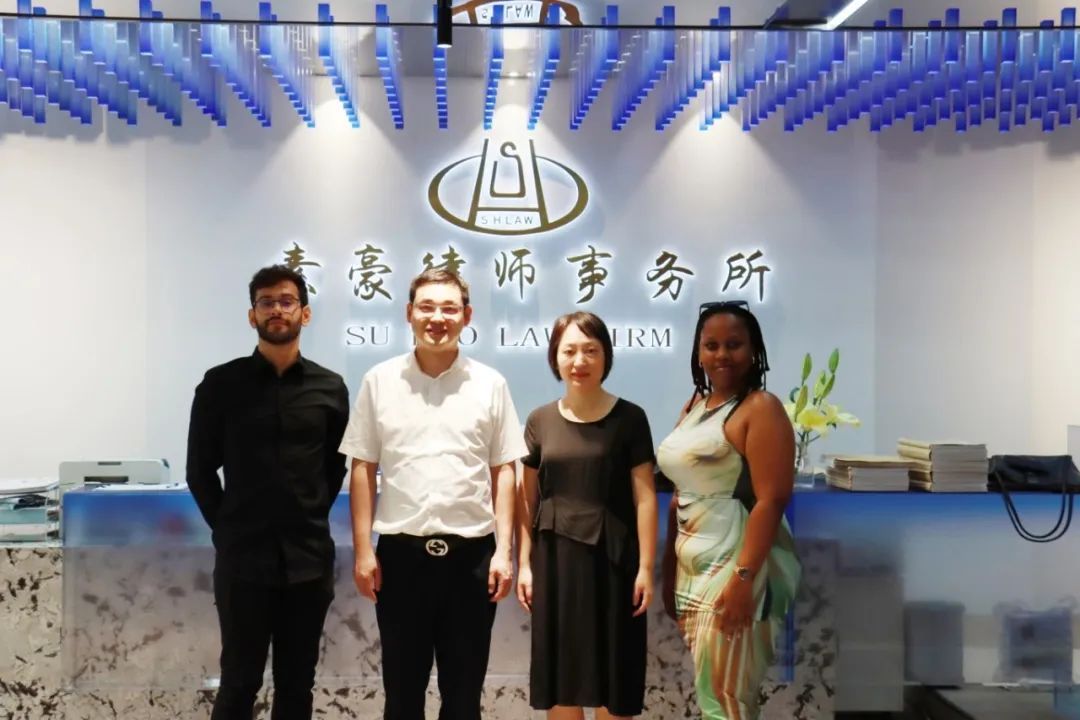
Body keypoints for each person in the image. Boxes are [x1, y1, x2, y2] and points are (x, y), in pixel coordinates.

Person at [339, 268, 526, 720]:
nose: (437, 318)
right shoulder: (380, 381)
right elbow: (363, 466)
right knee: (402, 697)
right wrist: (363, 550)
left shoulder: (490, 384)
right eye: (426, 307)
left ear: (466, 316)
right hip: (401, 561)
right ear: (409, 313)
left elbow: (504, 469)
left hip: (472, 560)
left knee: (463, 698)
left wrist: (504, 552)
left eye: (448, 308)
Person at [186, 265, 350, 720]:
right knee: (239, 682)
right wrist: (227, 529)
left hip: (309, 561)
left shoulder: (330, 388)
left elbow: (335, 467)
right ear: (252, 315)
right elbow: (200, 471)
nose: (277, 309)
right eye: (266, 302)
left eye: (286, 301)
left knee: (297, 685)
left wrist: (309, 514)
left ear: (305, 313)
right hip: (243, 561)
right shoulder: (220, 384)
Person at [656, 301, 801, 720]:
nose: (722, 354)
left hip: (733, 571)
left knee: (727, 700)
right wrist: (670, 567)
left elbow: (772, 500)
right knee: (715, 697)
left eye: (734, 344)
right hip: (692, 573)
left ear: (754, 350)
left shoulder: (761, 408)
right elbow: (682, 493)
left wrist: (743, 580)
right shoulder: (695, 408)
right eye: (711, 345)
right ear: (698, 353)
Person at [516, 311, 657, 720]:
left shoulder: (631, 418)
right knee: (563, 680)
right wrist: (524, 564)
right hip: (554, 564)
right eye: (570, 351)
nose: (580, 361)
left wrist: (646, 568)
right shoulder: (539, 420)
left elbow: (645, 498)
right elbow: (527, 500)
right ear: (555, 358)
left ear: (606, 356)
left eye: (591, 351)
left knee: (615, 676)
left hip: (614, 562)